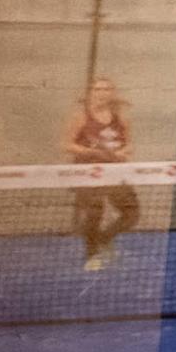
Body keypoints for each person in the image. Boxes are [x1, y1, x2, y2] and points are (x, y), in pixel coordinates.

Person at [61, 77, 140, 272]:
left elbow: (129, 144)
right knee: (95, 213)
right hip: (88, 173)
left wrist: (123, 153)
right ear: (91, 93)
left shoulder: (121, 119)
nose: (102, 92)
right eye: (98, 89)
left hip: (114, 172)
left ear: (112, 93)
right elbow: (66, 144)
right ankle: (91, 255)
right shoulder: (81, 117)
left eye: (106, 89)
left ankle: (104, 239)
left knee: (132, 214)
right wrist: (92, 152)